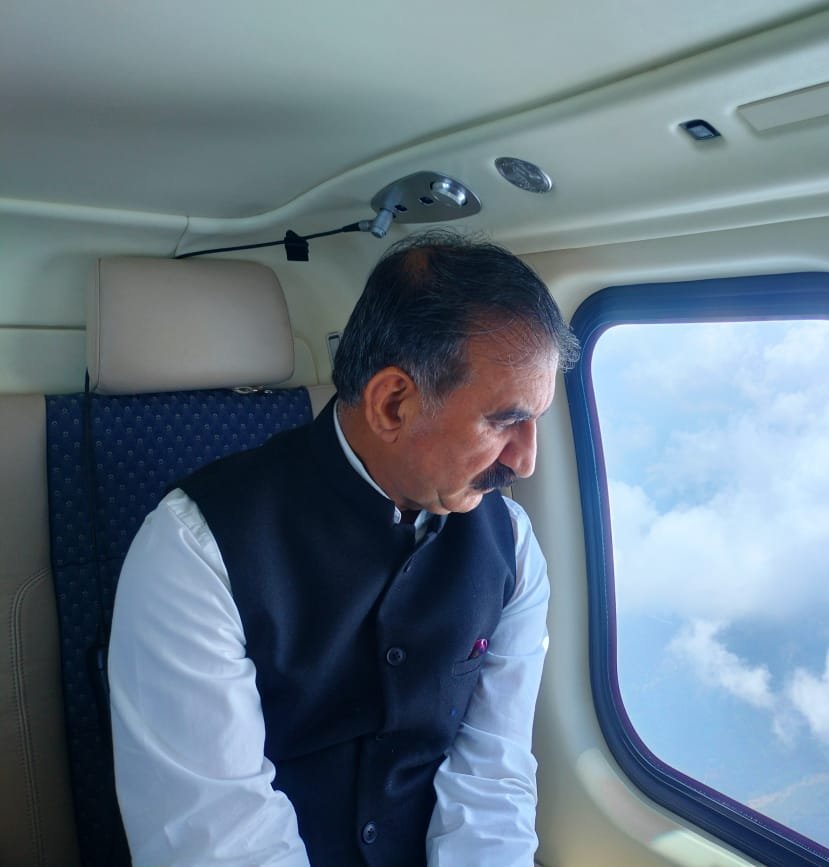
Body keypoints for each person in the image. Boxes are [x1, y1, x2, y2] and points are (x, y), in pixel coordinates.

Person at [108, 231, 580, 866]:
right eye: (504, 422)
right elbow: (220, 840)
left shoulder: (513, 547)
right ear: (393, 403)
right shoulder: (194, 550)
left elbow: (492, 776)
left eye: (535, 422)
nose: (524, 462)